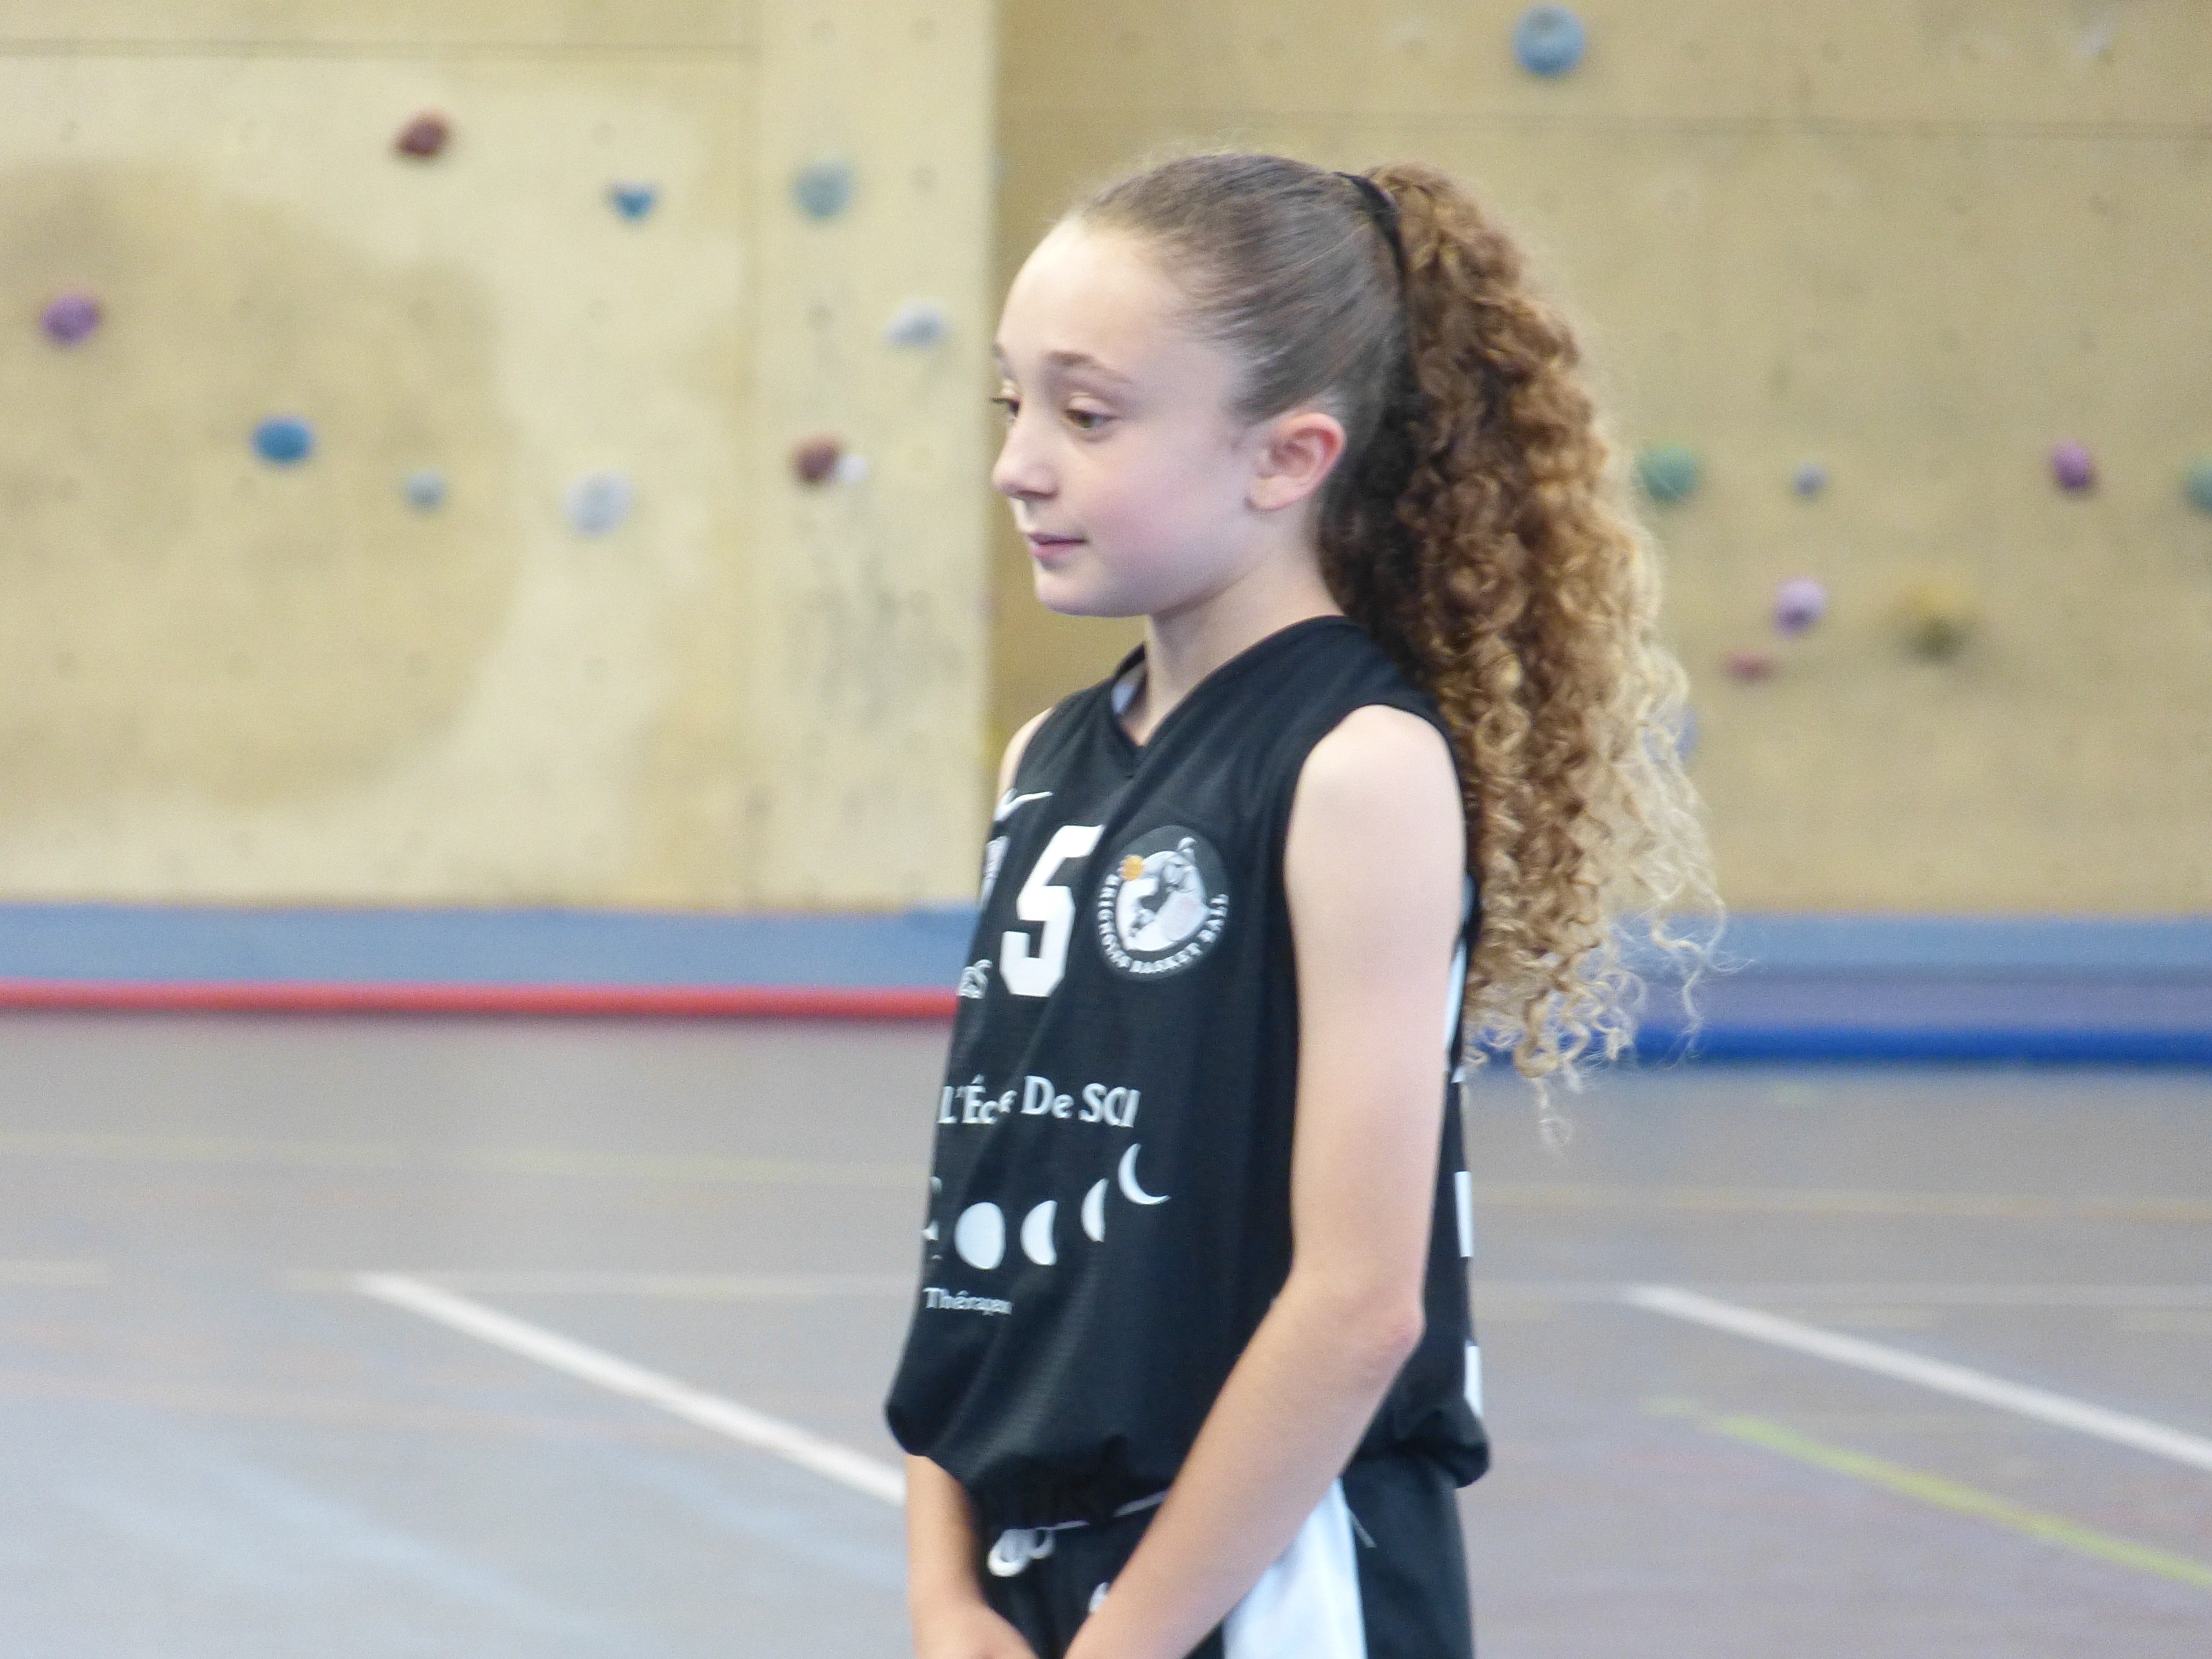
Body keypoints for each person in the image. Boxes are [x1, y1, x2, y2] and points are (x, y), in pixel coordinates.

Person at [884, 152, 1718, 1659]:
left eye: (1088, 415)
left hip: (1268, 1585)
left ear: (1287, 458)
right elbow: (980, 1220)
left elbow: (1358, 1305)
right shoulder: (1047, 764)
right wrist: (947, 1595)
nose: (1019, 463)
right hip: (1034, 1577)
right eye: (1012, 404)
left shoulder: (1355, 771)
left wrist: (1129, 1640)